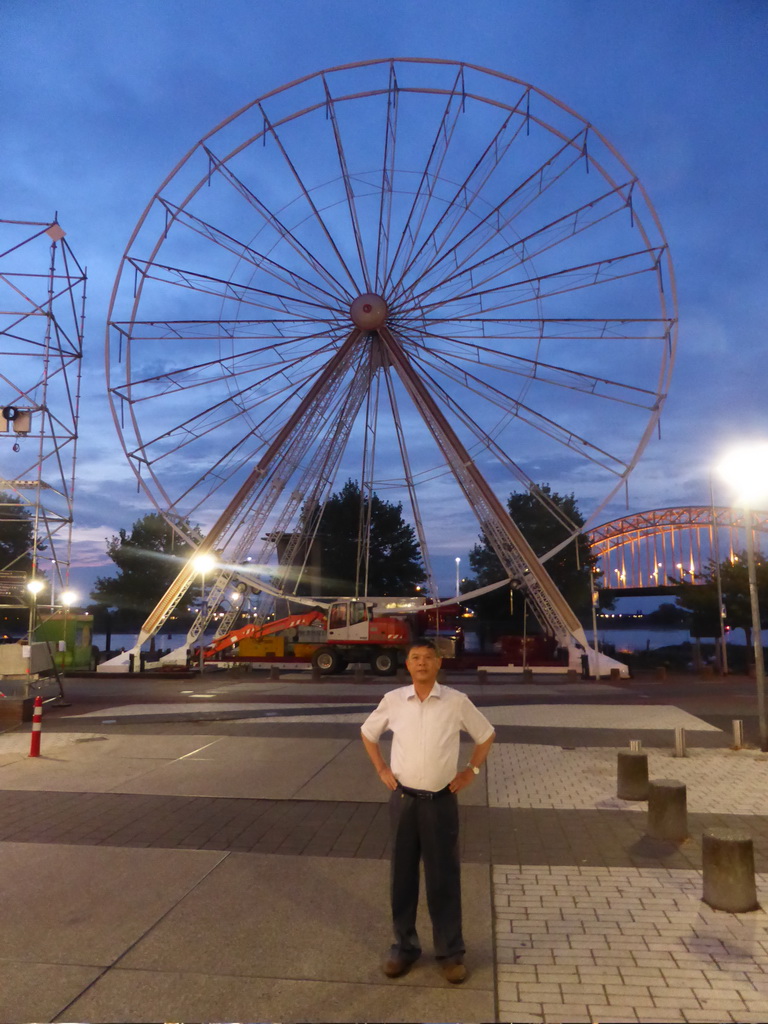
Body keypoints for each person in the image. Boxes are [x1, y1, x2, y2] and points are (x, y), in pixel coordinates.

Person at [361, 639, 495, 984]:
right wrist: (381, 770)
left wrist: (471, 771)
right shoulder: (394, 701)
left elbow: (486, 734)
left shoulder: (456, 702)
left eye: (428, 658)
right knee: (402, 878)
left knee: (444, 878)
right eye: (415, 658)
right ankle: (403, 947)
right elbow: (367, 733)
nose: (421, 663)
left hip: (440, 801)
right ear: (407, 665)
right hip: (404, 800)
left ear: (438, 664)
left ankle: (451, 953)